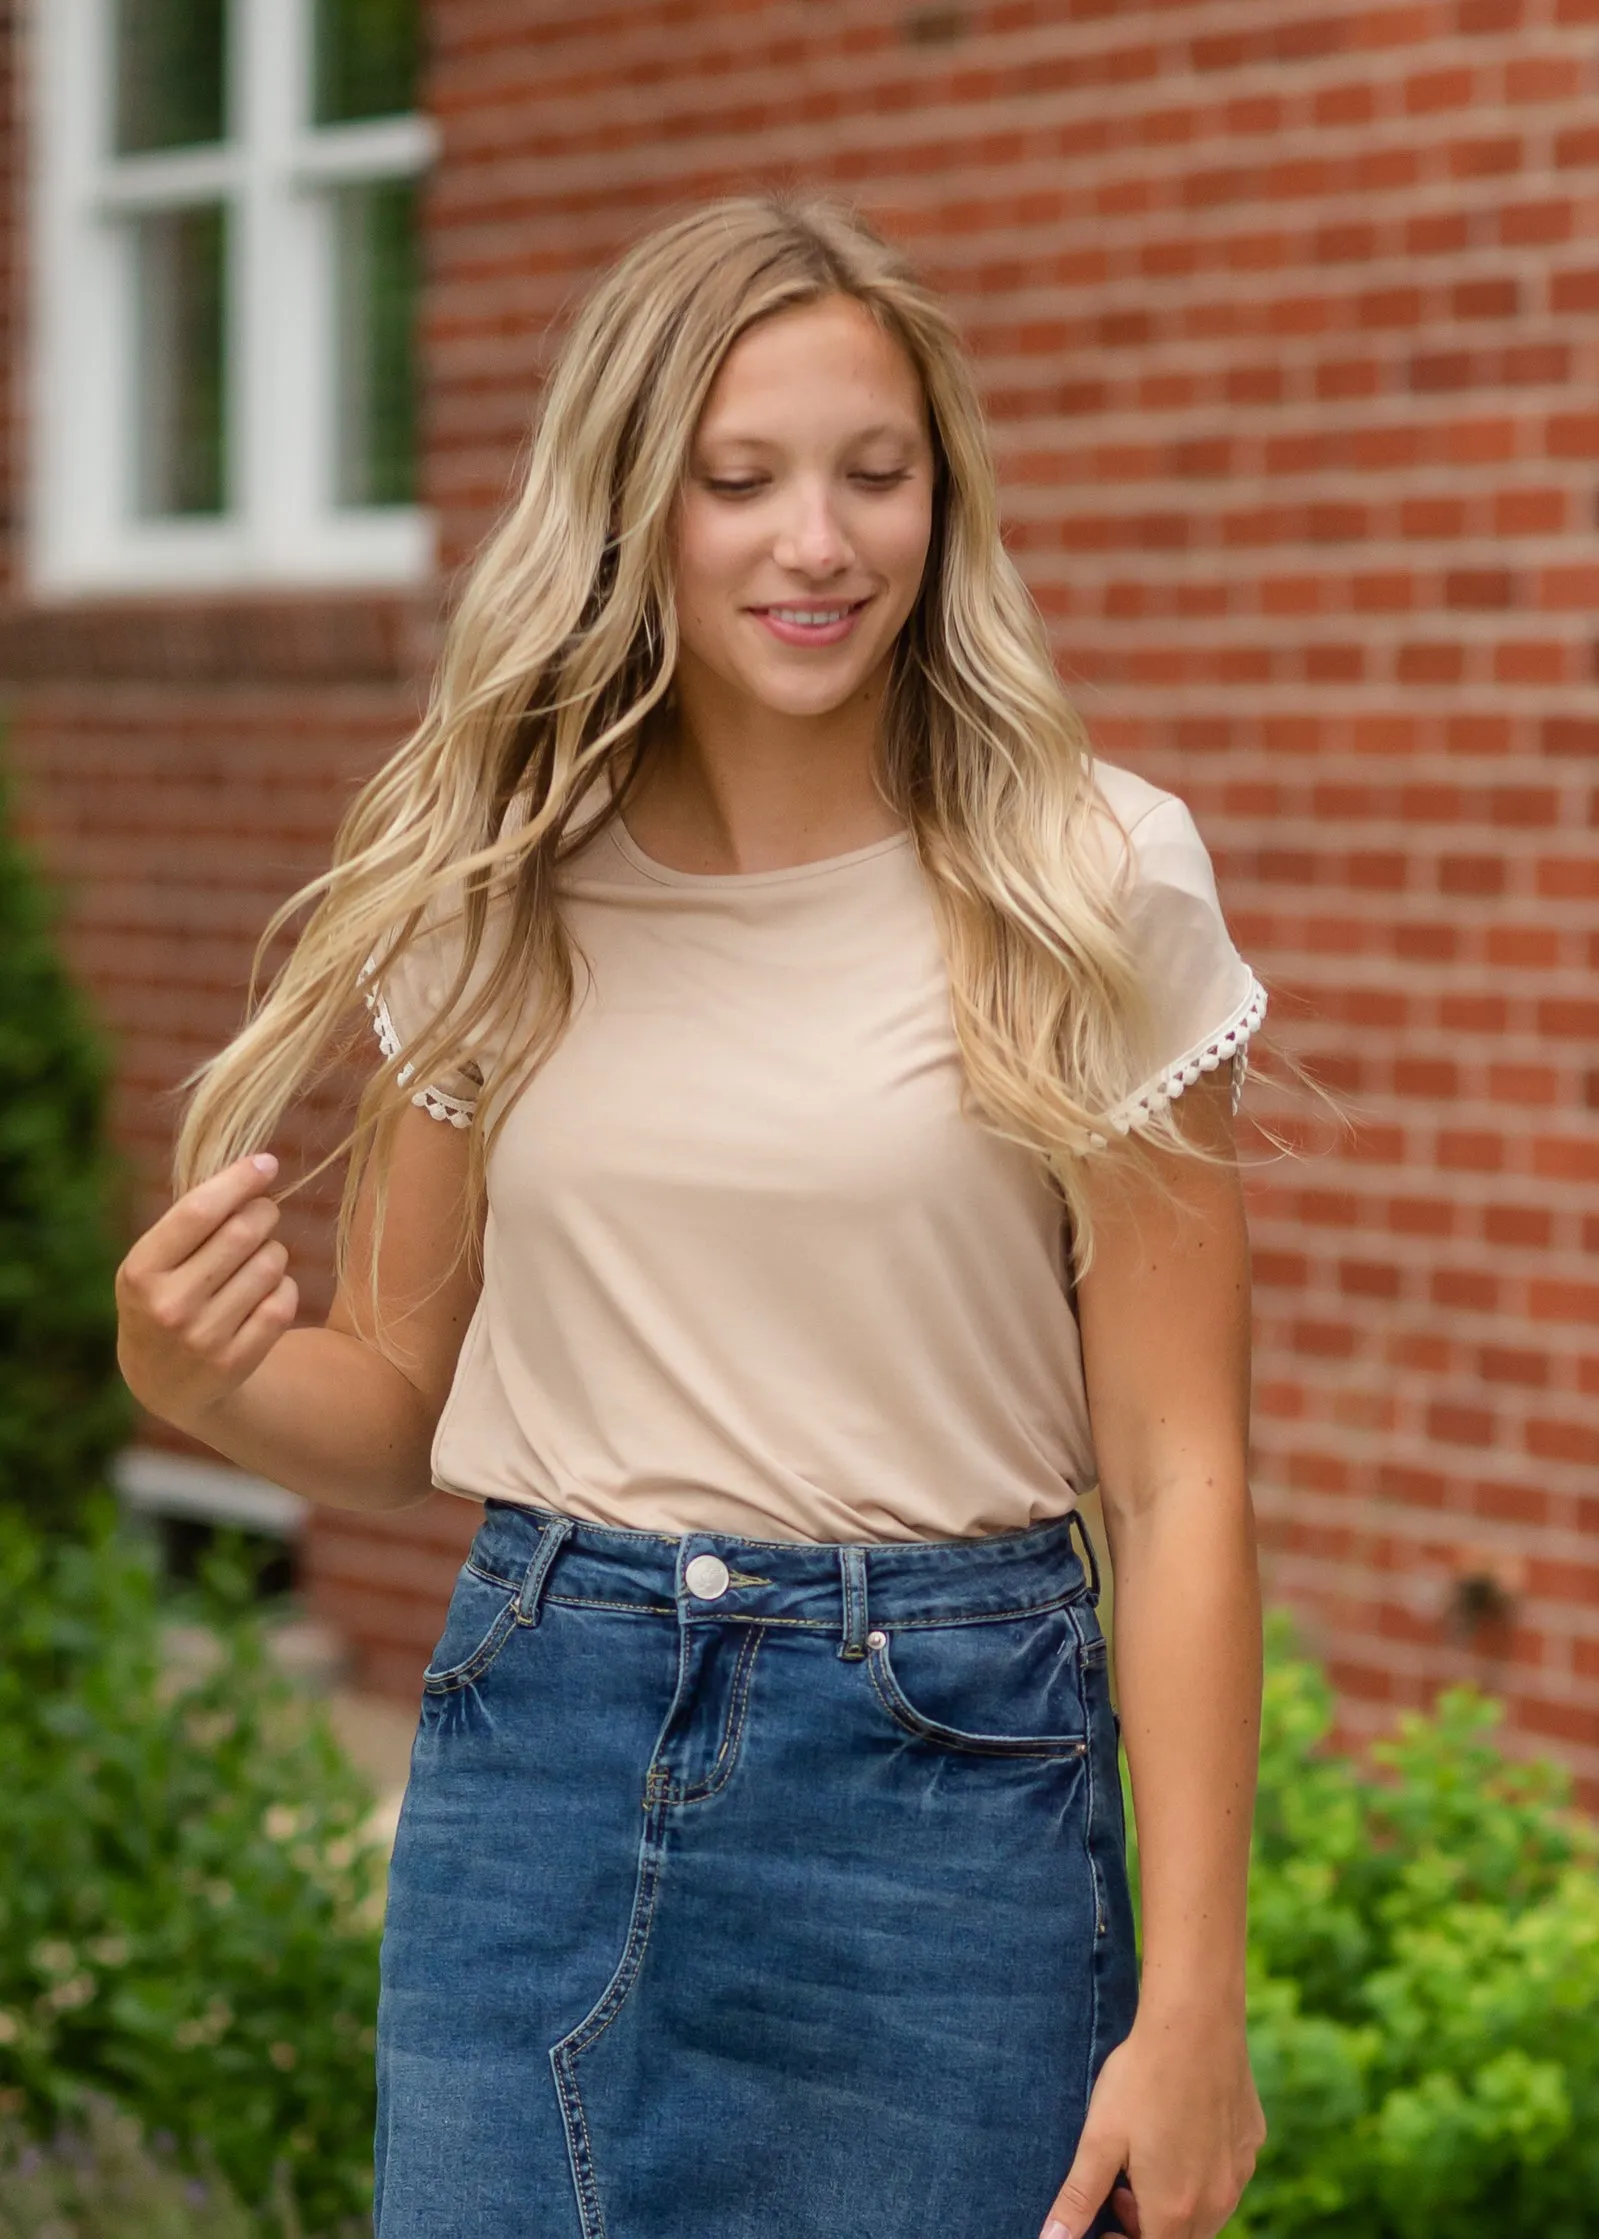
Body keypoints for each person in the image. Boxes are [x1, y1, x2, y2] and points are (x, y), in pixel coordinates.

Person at [115, 194, 1268, 2239]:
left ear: (944, 498)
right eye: (738, 482)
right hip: (538, 1765)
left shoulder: (1091, 877)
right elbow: (389, 1402)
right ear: (633, 506)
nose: (815, 544)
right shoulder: (498, 896)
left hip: (957, 1797)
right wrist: (192, 1380)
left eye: (872, 474)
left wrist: (1193, 2013)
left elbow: (1178, 1477)